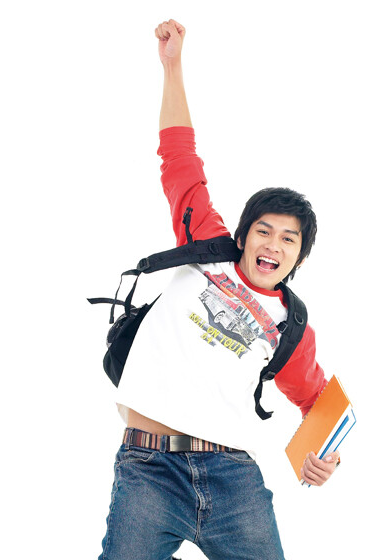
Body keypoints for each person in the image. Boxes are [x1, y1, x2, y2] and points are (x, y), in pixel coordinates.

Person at [98, 19, 340, 560]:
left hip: (234, 479)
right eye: (264, 231)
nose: (273, 245)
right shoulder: (207, 246)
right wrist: (172, 66)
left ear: (299, 256)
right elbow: (179, 157)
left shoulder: (292, 326)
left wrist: (324, 455)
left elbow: (319, 401)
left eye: (289, 239)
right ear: (244, 235)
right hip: (149, 469)